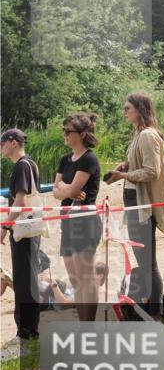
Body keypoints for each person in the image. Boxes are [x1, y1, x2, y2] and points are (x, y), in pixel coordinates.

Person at [105, 92, 164, 319]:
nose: (124, 112)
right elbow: (141, 165)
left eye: (128, 108)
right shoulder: (139, 134)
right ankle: (150, 308)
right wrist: (126, 166)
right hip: (134, 202)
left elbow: (152, 171)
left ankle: (155, 313)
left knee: (148, 263)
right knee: (143, 261)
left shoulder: (148, 135)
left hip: (142, 205)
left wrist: (122, 176)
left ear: (140, 109)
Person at [51, 113, 102, 321]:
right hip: (68, 221)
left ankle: (88, 326)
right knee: (74, 279)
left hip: (85, 221)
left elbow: (71, 189)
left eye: (68, 131)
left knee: (85, 277)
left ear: (81, 134)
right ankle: (83, 324)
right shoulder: (65, 160)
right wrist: (65, 188)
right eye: (63, 130)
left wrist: (64, 188)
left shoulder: (89, 158)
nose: (64, 134)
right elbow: (57, 191)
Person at [1, 129, 40, 346]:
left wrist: (5, 226)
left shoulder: (22, 166)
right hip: (30, 228)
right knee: (27, 280)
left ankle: (27, 332)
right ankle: (27, 330)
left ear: (13, 143)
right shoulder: (30, 164)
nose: (1, 148)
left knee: (25, 281)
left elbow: (20, 201)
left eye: (2, 143)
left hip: (24, 228)